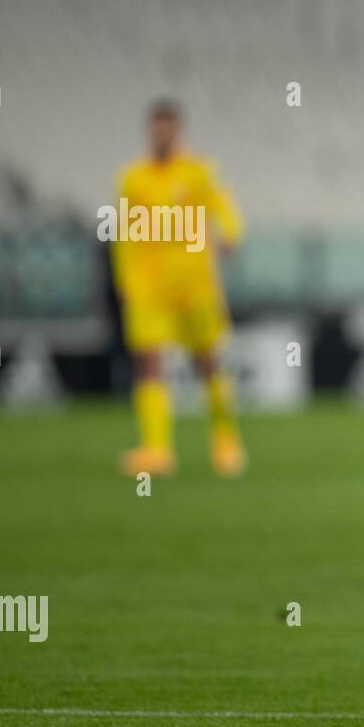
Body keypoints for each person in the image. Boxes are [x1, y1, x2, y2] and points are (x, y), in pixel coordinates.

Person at [113, 100, 246, 477]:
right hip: (149, 288)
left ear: (177, 132)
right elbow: (125, 234)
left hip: (194, 284)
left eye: (167, 128)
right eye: (155, 128)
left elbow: (223, 204)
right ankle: (157, 450)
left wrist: (231, 234)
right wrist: (125, 280)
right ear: (148, 132)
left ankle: (225, 438)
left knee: (206, 361)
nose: (160, 135)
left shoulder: (198, 171)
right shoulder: (132, 178)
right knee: (149, 361)